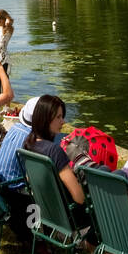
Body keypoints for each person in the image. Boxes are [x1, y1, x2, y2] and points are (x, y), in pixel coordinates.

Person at [22, 95, 88, 223]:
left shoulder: (29, 144)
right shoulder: (54, 151)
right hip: (66, 217)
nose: (63, 121)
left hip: (44, 209)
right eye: (58, 117)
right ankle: (90, 243)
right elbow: (79, 198)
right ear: (45, 120)